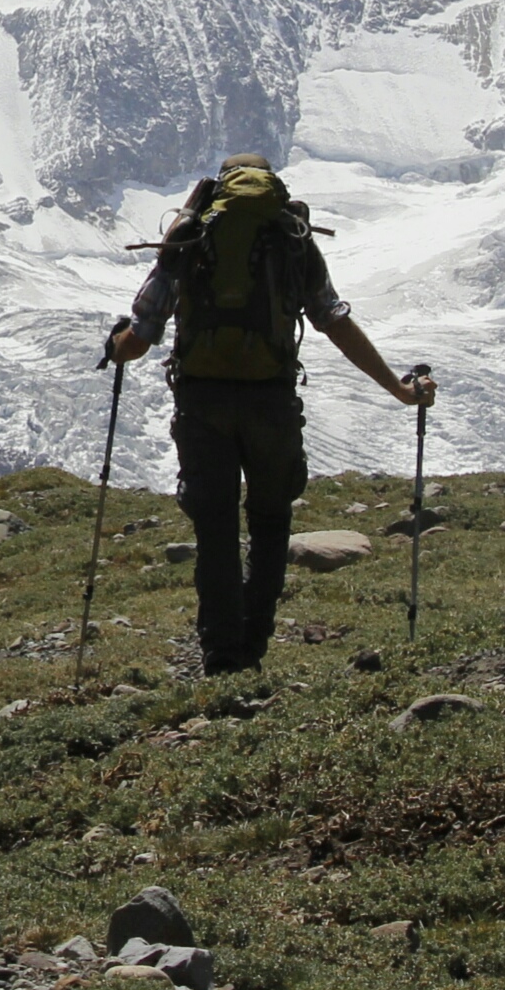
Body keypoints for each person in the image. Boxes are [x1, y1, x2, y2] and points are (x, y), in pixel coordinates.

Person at [107, 154, 434, 675]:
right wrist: (397, 387)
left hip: (202, 404)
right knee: (270, 520)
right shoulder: (290, 238)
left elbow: (140, 338)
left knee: (214, 528)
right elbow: (333, 318)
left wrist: (115, 344)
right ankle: (253, 644)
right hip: (271, 403)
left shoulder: (192, 236)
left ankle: (220, 653)